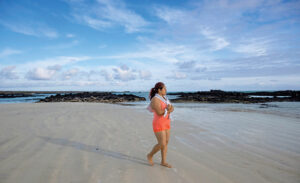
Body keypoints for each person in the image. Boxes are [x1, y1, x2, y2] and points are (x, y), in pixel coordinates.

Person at [147, 82, 174, 168]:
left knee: (166, 143)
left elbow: (172, 107)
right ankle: (150, 155)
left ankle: (163, 161)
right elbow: (159, 113)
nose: (166, 90)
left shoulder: (165, 98)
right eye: (164, 88)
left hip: (166, 122)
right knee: (161, 143)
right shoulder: (155, 99)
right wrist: (168, 110)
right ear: (159, 90)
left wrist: (169, 109)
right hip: (158, 123)